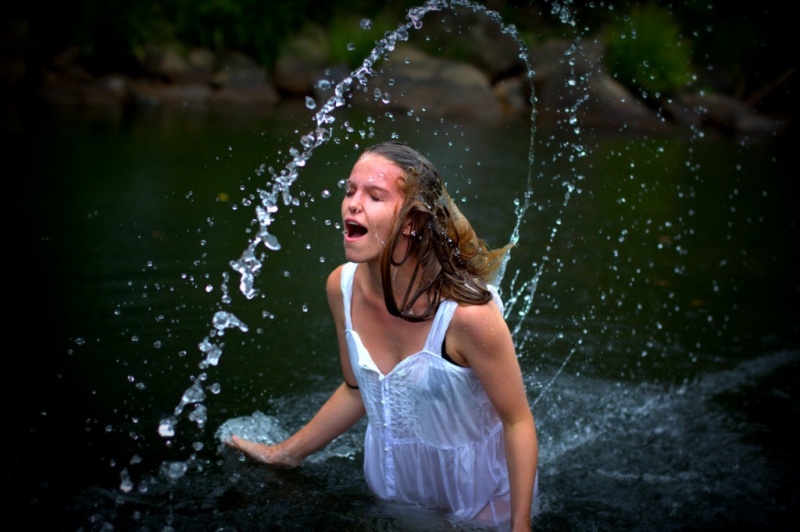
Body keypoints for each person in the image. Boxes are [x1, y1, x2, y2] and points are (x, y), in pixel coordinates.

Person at [226, 140, 538, 530]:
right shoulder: (341, 287)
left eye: (375, 196)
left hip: (479, 505)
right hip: (391, 498)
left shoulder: (467, 316)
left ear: (411, 222)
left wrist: (521, 526)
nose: (353, 205)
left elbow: (517, 421)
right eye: (350, 191)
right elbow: (356, 390)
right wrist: (284, 454)